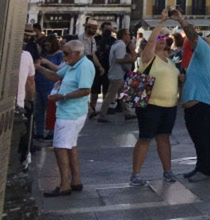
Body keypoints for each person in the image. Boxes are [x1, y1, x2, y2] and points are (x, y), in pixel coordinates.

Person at [35, 39, 95, 196]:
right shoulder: (72, 64)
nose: (64, 56)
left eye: (67, 53)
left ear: (77, 53)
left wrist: (63, 96)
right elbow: (55, 76)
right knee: (70, 145)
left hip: (71, 113)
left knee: (60, 147)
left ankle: (64, 184)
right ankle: (75, 181)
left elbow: (85, 90)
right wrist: (39, 68)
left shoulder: (84, 66)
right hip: (70, 112)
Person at [130, 11, 182, 185]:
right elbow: (151, 42)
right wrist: (161, 22)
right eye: (160, 38)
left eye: (164, 38)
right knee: (145, 138)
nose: (162, 40)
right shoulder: (148, 58)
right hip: (150, 105)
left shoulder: (170, 60)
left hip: (170, 105)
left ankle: (168, 171)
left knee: (164, 137)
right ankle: (135, 175)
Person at [171, 7, 210, 182]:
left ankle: (204, 170)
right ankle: (200, 167)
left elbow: (192, 36)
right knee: (199, 141)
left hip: (205, 105)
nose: (191, 44)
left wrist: (181, 20)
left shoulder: (204, 52)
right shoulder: (195, 61)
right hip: (196, 107)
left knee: (204, 139)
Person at [99, 28, 135, 122]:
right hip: (117, 74)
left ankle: (127, 112)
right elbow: (119, 60)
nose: (129, 36)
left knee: (122, 94)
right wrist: (131, 59)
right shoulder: (121, 45)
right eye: (127, 34)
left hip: (117, 73)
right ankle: (102, 115)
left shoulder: (117, 44)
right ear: (123, 35)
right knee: (110, 95)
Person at [34, 35, 63, 141]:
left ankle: (52, 132)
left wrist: (47, 62)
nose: (46, 47)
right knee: (39, 110)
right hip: (39, 84)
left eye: (48, 45)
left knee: (51, 110)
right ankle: (39, 132)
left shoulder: (59, 55)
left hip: (51, 85)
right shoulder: (43, 54)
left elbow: (59, 70)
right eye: (45, 45)